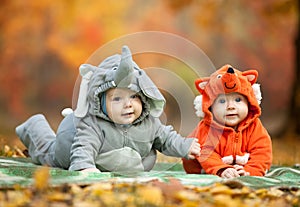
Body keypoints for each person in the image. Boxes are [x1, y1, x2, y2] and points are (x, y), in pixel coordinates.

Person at [15, 45, 200, 173]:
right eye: (117, 98)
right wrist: (84, 167)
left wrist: (185, 146)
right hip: (69, 143)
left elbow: (167, 138)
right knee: (47, 152)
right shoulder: (93, 125)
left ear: (143, 97)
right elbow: (84, 146)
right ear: (102, 103)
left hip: (120, 162)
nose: (128, 104)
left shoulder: (149, 123)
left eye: (134, 96)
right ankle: (34, 126)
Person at [182, 64, 272, 178]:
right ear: (211, 107)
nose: (230, 106)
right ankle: (210, 173)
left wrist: (250, 171)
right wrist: (221, 169)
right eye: (222, 101)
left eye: (238, 100)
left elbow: (262, 152)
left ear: (250, 103)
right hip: (203, 167)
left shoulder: (255, 127)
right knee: (194, 149)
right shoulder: (207, 129)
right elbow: (206, 153)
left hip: (242, 166)